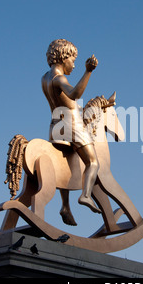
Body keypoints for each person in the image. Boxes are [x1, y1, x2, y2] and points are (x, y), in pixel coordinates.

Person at [41, 39, 101, 218]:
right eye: (73, 60)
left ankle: (65, 206)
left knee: (63, 164)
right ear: (63, 57)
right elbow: (74, 94)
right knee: (93, 162)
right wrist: (88, 72)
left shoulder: (45, 77)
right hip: (72, 125)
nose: (74, 65)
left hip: (55, 125)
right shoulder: (59, 78)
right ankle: (86, 195)